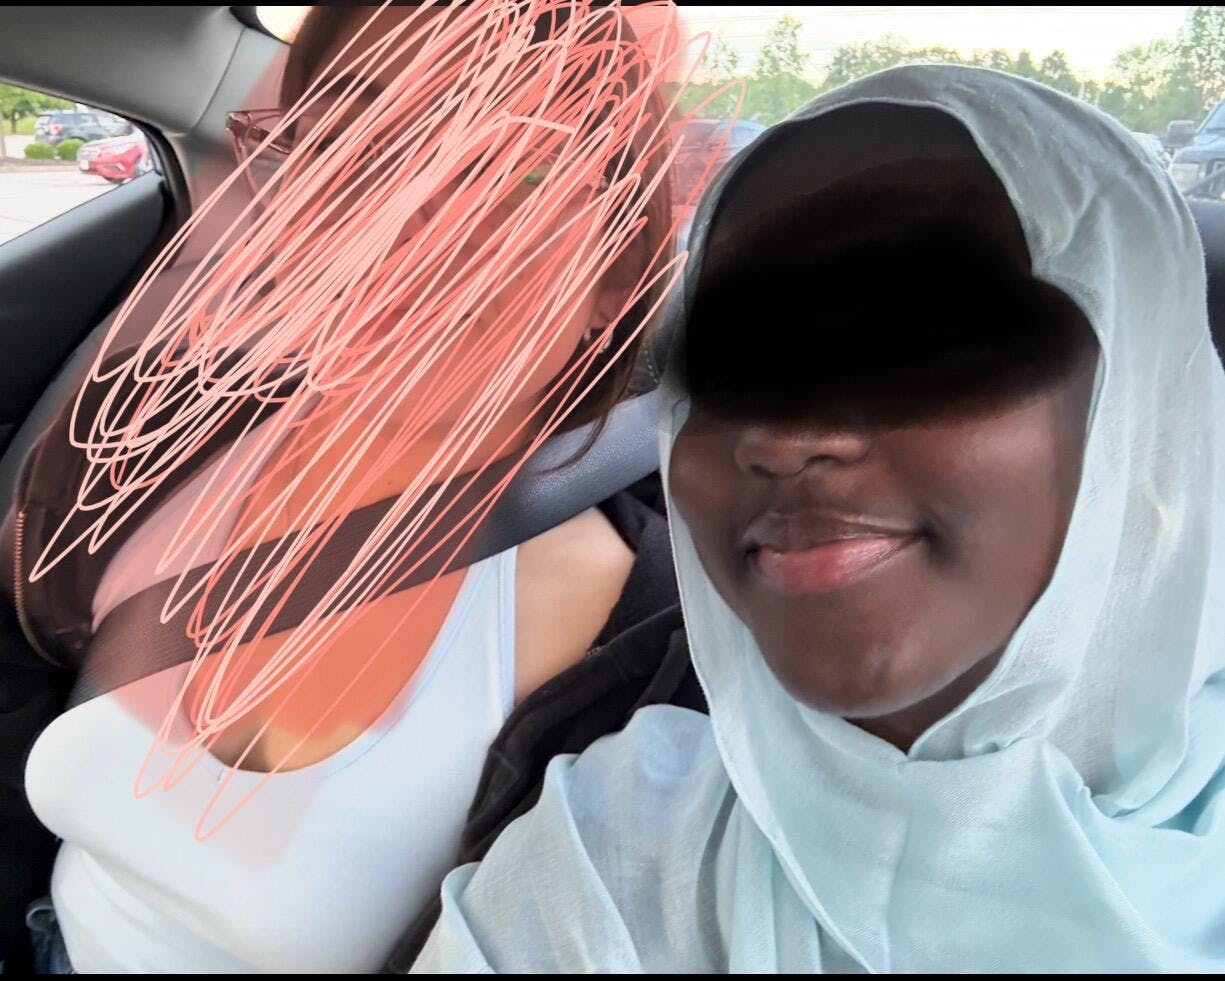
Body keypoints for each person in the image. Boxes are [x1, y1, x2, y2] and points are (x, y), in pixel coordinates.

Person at [410, 64, 1225, 972]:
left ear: (1141, 414)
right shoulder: (610, 859)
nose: (782, 433)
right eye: (730, 361)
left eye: (921, 339)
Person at [0, 2, 700, 973]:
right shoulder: (148, 439)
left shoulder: (645, 648)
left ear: (610, 284)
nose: (405, 228)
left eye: (518, 175)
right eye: (356, 149)